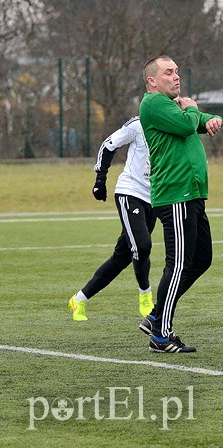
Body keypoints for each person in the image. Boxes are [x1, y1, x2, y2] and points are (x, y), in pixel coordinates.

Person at [137, 55, 223, 353]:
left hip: (192, 194)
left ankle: (156, 316)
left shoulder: (173, 106)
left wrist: (207, 118)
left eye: (176, 72)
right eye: (168, 73)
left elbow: (194, 120)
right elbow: (188, 124)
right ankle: (161, 334)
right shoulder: (153, 103)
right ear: (152, 81)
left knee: (201, 259)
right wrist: (195, 112)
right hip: (175, 195)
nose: (176, 77)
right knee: (178, 265)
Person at [68, 117, 156, 321]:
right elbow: (108, 145)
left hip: (155, 198)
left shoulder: (172, 123)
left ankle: (79, 299)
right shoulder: (138, 124)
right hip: (130, 192)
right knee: (141, 247)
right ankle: (145, 295)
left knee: (122, 256)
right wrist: (100, 180)